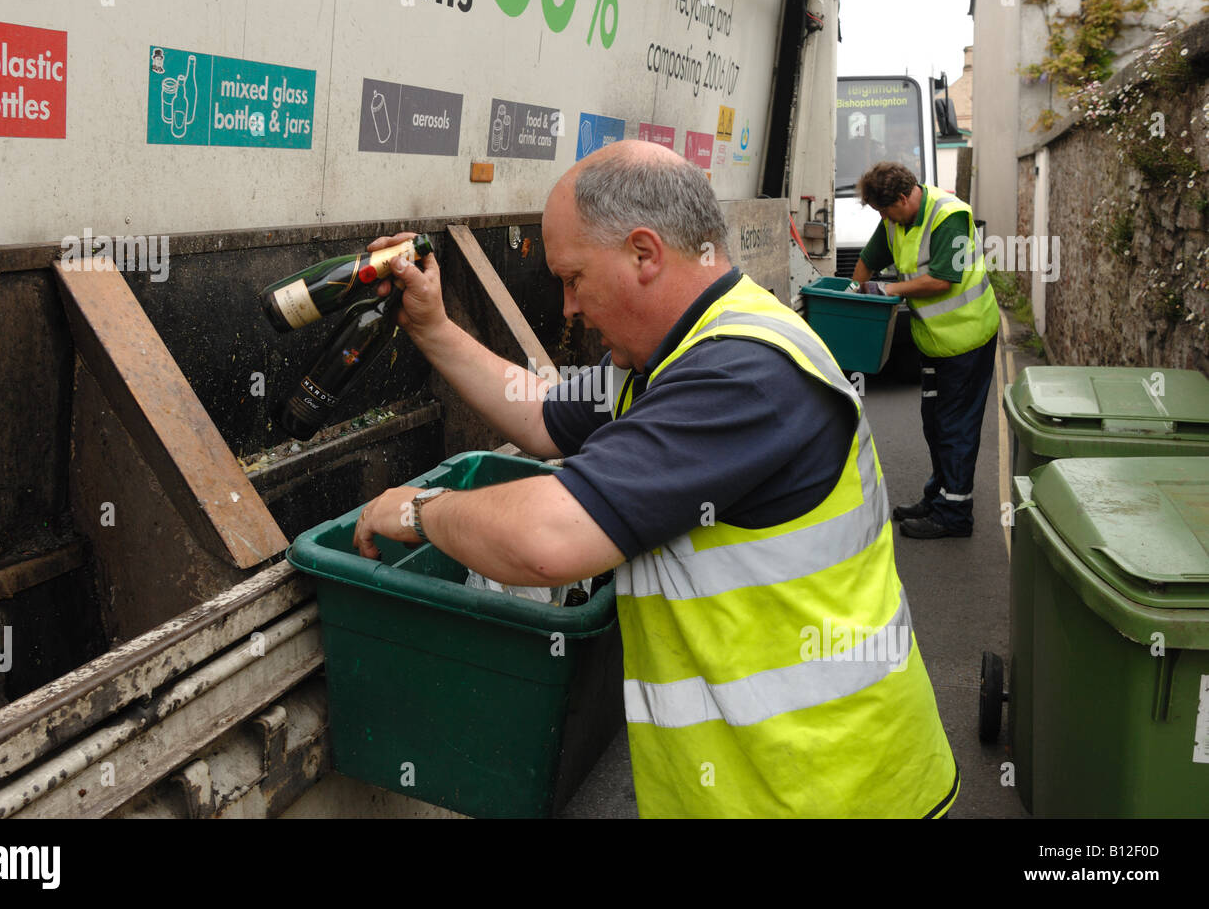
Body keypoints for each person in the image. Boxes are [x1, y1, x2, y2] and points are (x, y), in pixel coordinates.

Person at [353, 140, 959, 818]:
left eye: (574, 278)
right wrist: (432, 325)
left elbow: (548, 538)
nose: (569, 307)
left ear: (644, 254)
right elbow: (540, 413)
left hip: (827, 791)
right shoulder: (670, 356)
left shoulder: (741, 374)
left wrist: (421, 511)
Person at [851, 162, 999, 540]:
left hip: (967, 339)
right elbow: (869, 260)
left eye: (886, 210)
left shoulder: (950, 216)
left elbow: (942, 280)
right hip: (933, 339)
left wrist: (887, 291)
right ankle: (939, 496)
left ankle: (955, 514)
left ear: (903, 197)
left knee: (955, 426)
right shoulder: (893, 220)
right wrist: (852, 296)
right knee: (934, 422)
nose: (884, 218)